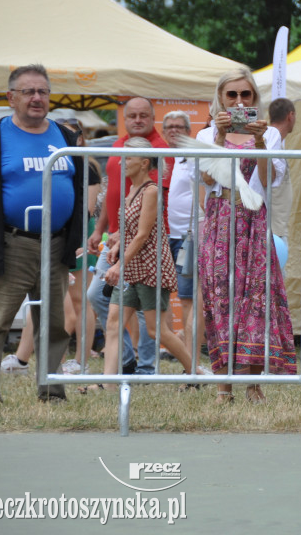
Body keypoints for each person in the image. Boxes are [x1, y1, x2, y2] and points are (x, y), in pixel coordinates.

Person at [0, 64, 85, 402]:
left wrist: (74, 237)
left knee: (54, 324)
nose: (36, 98)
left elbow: (77, 186)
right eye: (28, 91)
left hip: (56, 243)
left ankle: (52, 392)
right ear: (10, 97)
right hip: (10, 243)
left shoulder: (64, 135)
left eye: (43, 92)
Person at [197, 67, 297, 403]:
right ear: (221, 98)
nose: (239, 101)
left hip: (254, 221)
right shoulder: (205, 135)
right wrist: (219, 139)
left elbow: (269, 180)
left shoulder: (269, 135)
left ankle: (254, 384)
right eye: (232, 95)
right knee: (221, 300)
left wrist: (257, 141)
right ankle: (224, 386)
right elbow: (208, 181)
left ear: (254, 98)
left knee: (256, 300)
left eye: (246, 95)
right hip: (219, 221)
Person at [97, 138, 200, 392]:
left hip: (150, 267)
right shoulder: (130, 190)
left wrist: (119, 264)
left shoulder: (152, 191)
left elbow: (144, 234)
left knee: (156, 331)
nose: (122, 162)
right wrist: (117, 241)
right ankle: (108, 385)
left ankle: (194, 374)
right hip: (132, 266)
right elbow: (133, 230)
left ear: (144, 163)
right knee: (113, 322)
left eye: (128, 158)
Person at [87, 97, 172, 376]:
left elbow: (155, 200)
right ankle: (124, 360)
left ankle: (146, 367)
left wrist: (122, 233)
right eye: (131, 115)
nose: (137, 120)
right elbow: (112, 189)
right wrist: (100, 228)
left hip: (141, 242)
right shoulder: (118, 145)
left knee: (146, 312)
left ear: (152, 117)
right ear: (124, 119)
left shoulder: (159, 150)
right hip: (113, 236)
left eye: (143, 115)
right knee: (99, 295)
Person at [162, 110, 204, 359]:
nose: (174, 131)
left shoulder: (195, 156)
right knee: (162, 295)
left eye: (179, 127)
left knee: (187, 298)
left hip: (189, 236)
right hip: (166, 235)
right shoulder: (166, 157)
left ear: (189, 131)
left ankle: (190, 358)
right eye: (169, 127)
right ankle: (173, 346)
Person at [60, 119, 100, 375]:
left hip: (78, 236)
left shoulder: (88, 167)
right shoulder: (55, 163)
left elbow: (87, 210)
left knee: (80, 301)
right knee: (59, 301)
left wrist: (75, 240)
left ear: (81, 138)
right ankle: (57, 356)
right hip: (57, 234)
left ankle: (81, 359)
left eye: (71, 134)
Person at [267, 98, 296, 241]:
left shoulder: (271, 140)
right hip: (271, 229)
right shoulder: (271, 141)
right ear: (290, 116)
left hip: (275, 227)